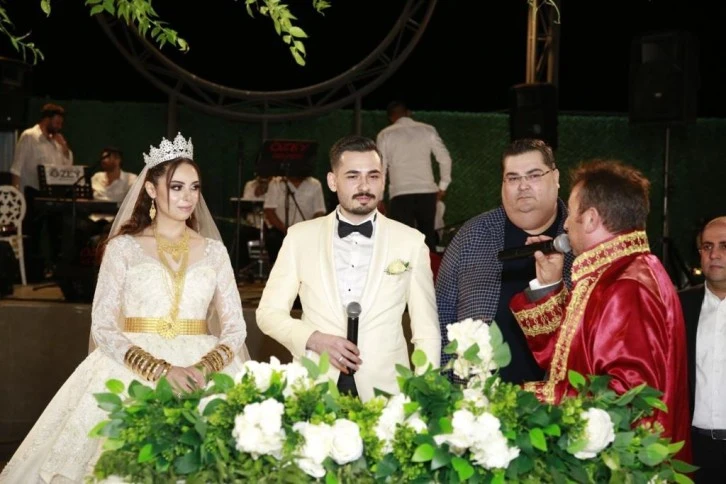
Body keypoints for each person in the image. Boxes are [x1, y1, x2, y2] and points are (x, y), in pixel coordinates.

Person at [0, 133, 249, 482]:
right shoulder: (123, 249)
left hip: (202, 369)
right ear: (151, 189)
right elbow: (103, 325)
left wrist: (203, 368)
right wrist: (160, 371)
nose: (188, 196)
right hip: (133, 367)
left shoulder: (214, 251)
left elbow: (236, 327)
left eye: (194, 187)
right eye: (176, 187)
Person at [509, 159, 690, 459]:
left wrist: (532, 397)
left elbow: (627, 399)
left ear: (591, 218)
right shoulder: (619, 271)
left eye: (571, 213)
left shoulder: (627, 286)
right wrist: (549, 286)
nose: (565, 225)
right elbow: (570, 357)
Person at [256, 135, 440, 402]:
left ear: (384, 180)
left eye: (373, 176)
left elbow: (426, 332)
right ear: (333, 181)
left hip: (386, 392)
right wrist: (313, 339)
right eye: (353, 176)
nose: (364, 186)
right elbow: (268, 313)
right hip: (315, 386)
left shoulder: (411, 242)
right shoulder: (299, 237)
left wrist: (427, 396)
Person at [436, 138, 574, 385]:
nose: (523, 186)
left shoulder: (581, 238)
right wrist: (446, 390)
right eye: (512, 178)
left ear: (555, 177)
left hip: (560, 398)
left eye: (534, 175)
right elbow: (441, 315)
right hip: (477, 398)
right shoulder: (472, 236)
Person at [679, 216, 726, 481]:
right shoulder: (678, 307)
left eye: (724, 246)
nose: (714, 254)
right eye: (707, 246)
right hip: (692, 450)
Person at [376, 100, 452, 251]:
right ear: (408, 113)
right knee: (427, 238)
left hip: (400, 193)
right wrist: (443, 186)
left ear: (391, 118)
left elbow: (381, 168)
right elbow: (445, 159)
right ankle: (429, 265)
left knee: (402, 241)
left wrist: (379, 197)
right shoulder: (428, 130)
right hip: (427, 192)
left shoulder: (384, 134)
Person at [9, 103, 73, 276]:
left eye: (61, 124)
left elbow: (67, 168)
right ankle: (31, 272)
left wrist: (64, 148)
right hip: (32, 192)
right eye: (57, 123)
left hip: (53, 194)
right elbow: (16, 168)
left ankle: (54, 269)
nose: (59, 127)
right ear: (46, 119)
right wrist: (16, 200)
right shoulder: (30, 136)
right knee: (32, 234)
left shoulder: (56, 141)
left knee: (56, 233)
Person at [263, 174, 326, 266]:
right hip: (281, 230)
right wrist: (285, 230)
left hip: (307, 232)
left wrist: (308, 229)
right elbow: (269, 211)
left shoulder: (315, 184)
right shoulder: (276, 183)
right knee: (273, 239)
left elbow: (319, 211)